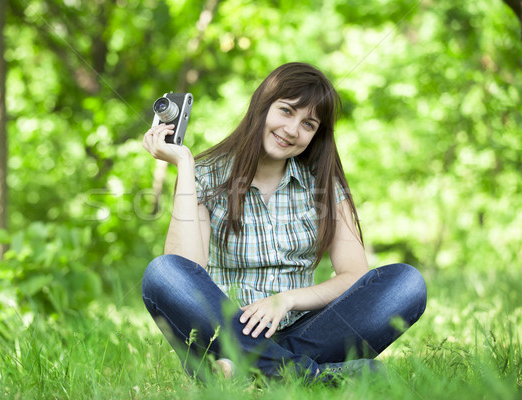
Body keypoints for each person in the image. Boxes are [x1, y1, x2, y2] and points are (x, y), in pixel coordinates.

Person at [141, 62, 427, 382]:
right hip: (223, 331)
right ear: (262, 107)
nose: (292, 130)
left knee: (406, 283)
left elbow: (353, 277)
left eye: (308, 123)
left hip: (309, 331)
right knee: (162, 273)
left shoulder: (323, 185)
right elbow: (185, 267)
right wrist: (184, 165)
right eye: (287, 111)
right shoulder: (206, 174)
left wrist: (286, 300)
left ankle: (249, 371)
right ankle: (308, 375)